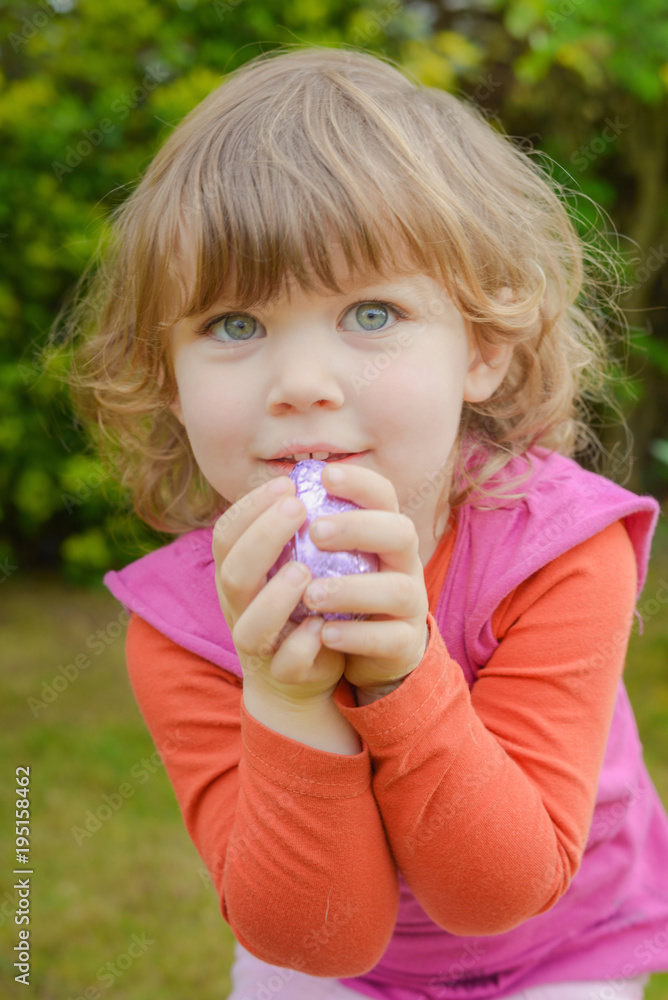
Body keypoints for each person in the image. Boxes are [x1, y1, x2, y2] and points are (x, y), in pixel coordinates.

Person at [63, 45, 668, 1000]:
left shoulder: (557, 553)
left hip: (564, 945)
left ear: (484, 350)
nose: (302, 385)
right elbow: (319, 940)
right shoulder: (183, 628)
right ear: (166, 379)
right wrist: (287, 700)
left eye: (372, 313)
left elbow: (498, 890)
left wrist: (405, 679)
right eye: (233, 325)